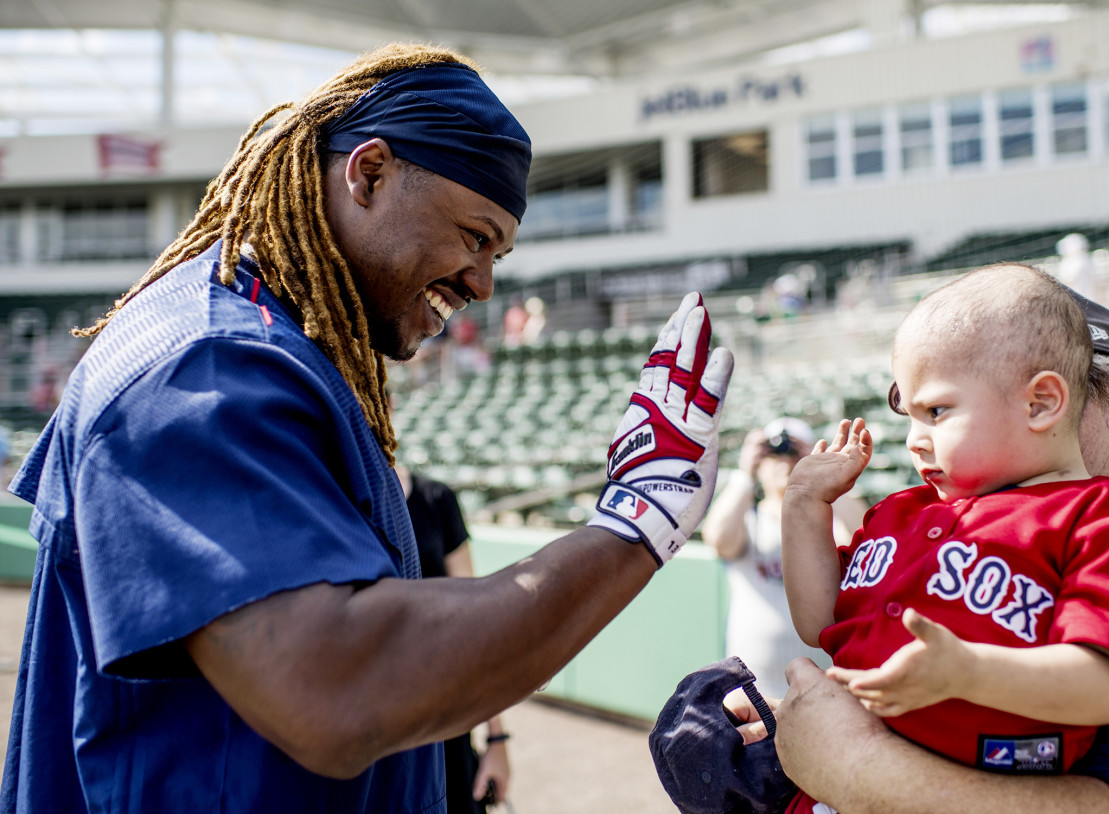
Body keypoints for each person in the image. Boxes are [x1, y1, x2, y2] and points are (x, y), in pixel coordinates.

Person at [0, 44, 734, 814]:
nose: (483, 282)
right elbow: (335, 689)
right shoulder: (209, 364)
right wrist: (635, 523)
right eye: (475, 237)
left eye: (499, 253)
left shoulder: (269, 344)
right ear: (370, 173)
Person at [770, 286, 1109, 814]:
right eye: (910, 410)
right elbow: (824, 622)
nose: (914, 440)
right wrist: (803, 505)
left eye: (939, 410)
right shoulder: (908, 513)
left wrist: (852, 760)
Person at [700, 418, 865, 698]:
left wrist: (821, 475)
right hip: (752, 686)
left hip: (823, 684)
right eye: (773, 453)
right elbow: (717, 538)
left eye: (794, 454)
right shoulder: (748, 518)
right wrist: (744, 474)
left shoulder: (832, 521)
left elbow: (866, 537)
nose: (784, 461)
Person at [396, 464, 511, 813]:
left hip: (447, 720)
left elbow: (472, 625)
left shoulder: (436, 497)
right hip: (375, 725)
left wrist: (497, 738)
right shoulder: (337, 495)